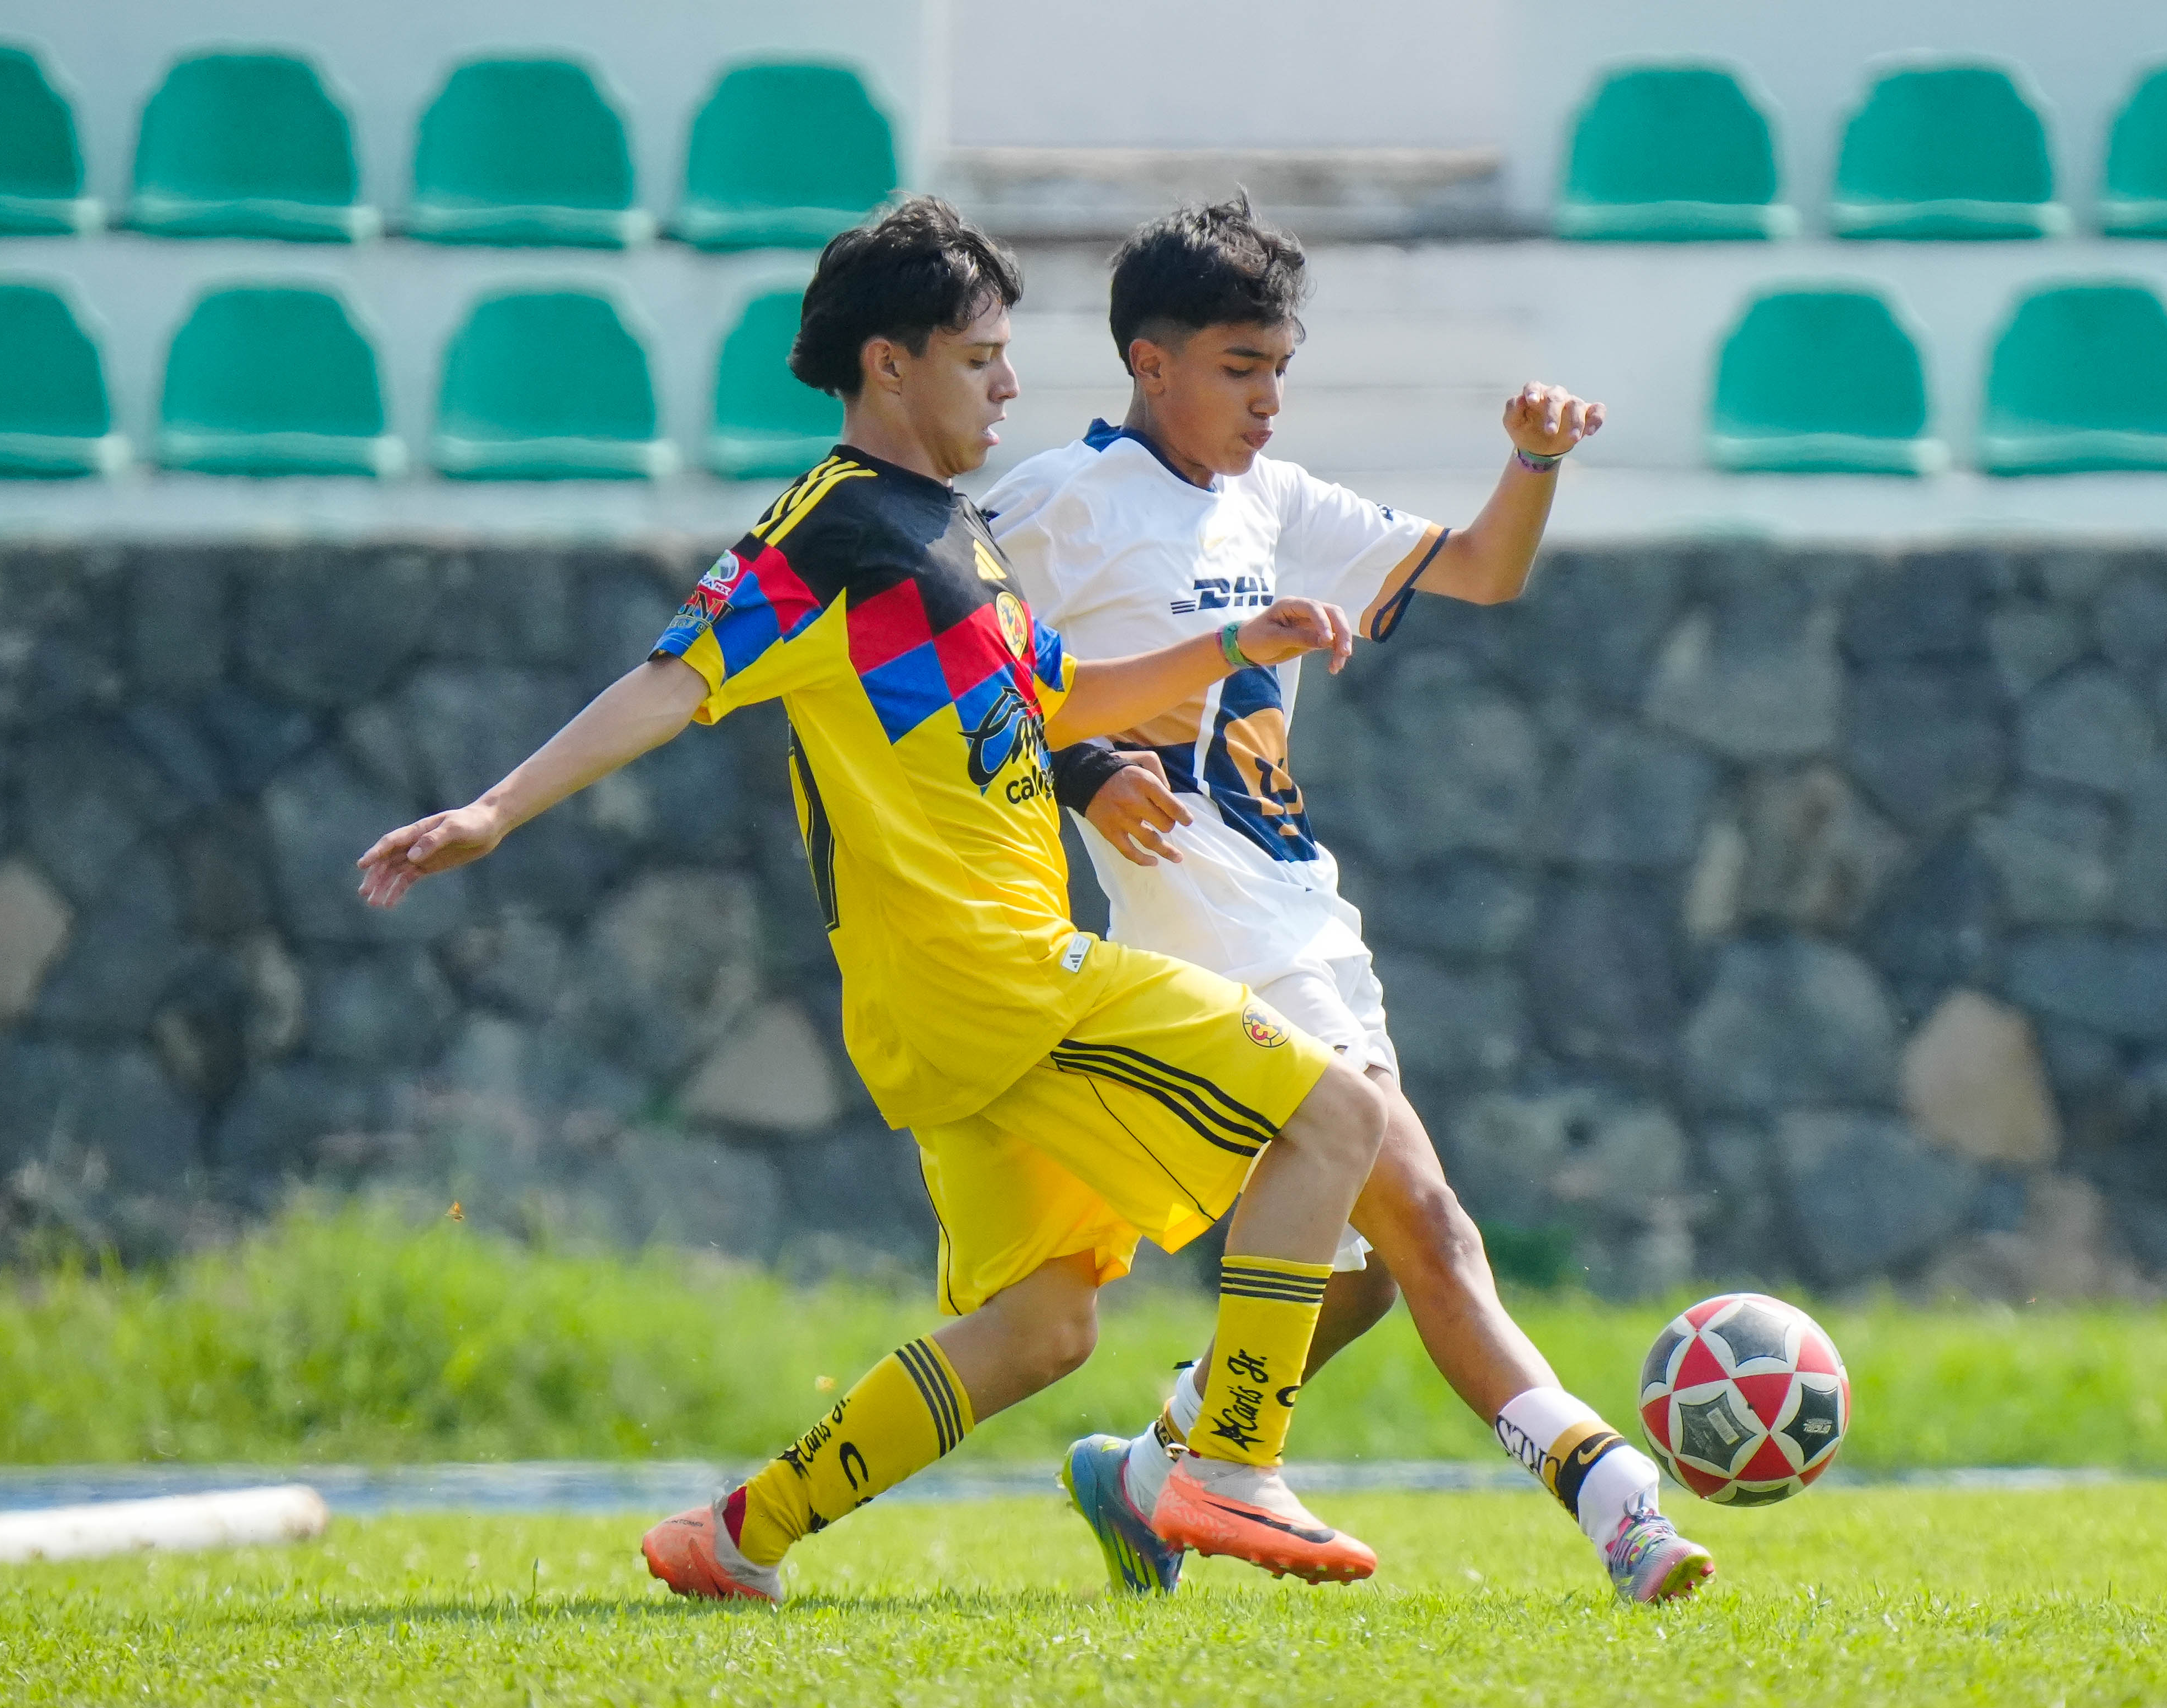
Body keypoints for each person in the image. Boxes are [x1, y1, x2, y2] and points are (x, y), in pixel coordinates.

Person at [355, 197, 1390, 1600]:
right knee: (1337, 1116)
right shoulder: (834, 533)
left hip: (948, 997)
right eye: (979, 357)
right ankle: (1227, 1460)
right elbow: (675, 674)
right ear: (887, 366)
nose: (1009, 382)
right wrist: (490, 809)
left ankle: (733, 1536)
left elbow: (1047, 705)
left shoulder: (948, 536)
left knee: (1041, 1331)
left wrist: (1226, 645)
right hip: (993, 974)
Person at [982, 196, 1714, 1605]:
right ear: (1150, 363)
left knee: (1376, 1274)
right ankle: (1619, 1507)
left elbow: (1486, 569)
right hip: (1204, 930)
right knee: (1431, 1224)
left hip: (1309, 912)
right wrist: (1077, 766)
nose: (1265, 400)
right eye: (1237, 368)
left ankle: (1149, 1467)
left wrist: (1531, 460)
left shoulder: (1282, 502)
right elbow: (944, 661)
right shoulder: (1056, 502)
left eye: (1278, 371)